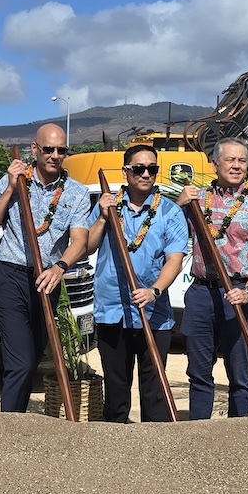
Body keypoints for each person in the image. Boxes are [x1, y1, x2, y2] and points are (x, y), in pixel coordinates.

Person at [0, 123, 92, 413]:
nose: (55, 155)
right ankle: (9, 424)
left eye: (61, 150)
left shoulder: (75, 193)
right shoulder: (13, 180)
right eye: (48, 149)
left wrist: (60, 267)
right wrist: (10, 190)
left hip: (47, 280)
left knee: (32, 359)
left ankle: (18, 418)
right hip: (11, 277)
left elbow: (80, 240)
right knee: (20, 362)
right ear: (35, 149)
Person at [84, 145, 189, 422]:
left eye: (152, 169)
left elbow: (174, 260)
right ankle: (116, 453)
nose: (146, 174)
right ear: (125, 171)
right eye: (139, 168)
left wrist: (154, 291)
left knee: (154, 393)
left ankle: (153, 454)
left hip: (153, 315)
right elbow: (88, 247)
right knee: (116, 389)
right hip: (112, 310)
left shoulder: (169, 211)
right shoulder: (107, 205)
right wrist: (103, 218)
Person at [176, 137, 248, 419]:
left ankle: (237, 437)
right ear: (215, 164)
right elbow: (169, 232)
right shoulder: (196, 199)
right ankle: (197, 432)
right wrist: (179, 204)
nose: (236, 166)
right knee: (198, 372)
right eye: (230, 160)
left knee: (239, 373)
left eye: (242, 161)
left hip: (240, 293)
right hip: (201, 293)